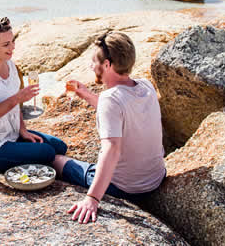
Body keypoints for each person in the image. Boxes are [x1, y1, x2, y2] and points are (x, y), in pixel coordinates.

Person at [52, 31, 166, 224]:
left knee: (55, 158)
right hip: (155, 179)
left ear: (107, 65)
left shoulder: (110, 99)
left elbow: (111, 149)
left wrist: (92, 199)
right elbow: (121, 113)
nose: (91, 66)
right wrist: (87, 95)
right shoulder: (146, 86)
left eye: (94, 61)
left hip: (125, 188)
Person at [0, 17, 68, 172]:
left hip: (12, 134)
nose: (12, 48)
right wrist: (17, 98)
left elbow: (15, 106)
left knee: (59, 147)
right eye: (6, 44)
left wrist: (23, 130)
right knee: (48, 153)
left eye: (12, 41)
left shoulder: (9, 64)